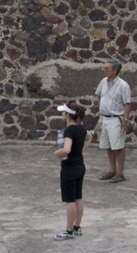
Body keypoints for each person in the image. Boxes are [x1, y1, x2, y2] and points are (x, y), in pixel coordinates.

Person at [53, 102, 89, 241]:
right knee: (78, 197)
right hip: (80, 166)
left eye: (63, 112)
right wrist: (80, 150)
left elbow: (66, 150)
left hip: (69, 168)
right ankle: (77, 227)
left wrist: (57, 153)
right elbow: (89, 137)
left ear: (68, 115)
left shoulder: (68, 131)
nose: (62, 114)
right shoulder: (81, 129)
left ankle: (68, 231)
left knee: (70, 200)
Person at [95, 59, 132, 183]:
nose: (104, 70)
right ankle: (112, 171)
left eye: (107, 68)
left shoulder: (123, 85)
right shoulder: (103, 82)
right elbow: (98, 94)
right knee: (109, 146)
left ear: (115, 71)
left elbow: (127, 104)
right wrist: (102, 107)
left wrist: (125, 120)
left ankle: (120, 173)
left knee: (118, 146)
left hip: (116, 119)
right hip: (105, 118)